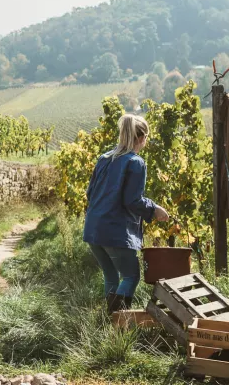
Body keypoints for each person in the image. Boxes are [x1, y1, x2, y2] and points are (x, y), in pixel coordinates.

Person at [82, 114, 169, 313]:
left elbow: (89, 193)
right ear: (141, 138)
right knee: (131, 277)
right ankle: (118, 323)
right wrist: (154, 209)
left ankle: (108, 324)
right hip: (115, 231)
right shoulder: (135, 162)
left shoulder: (104, 158)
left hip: (93, 230)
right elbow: (133, 200)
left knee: (111, 277)